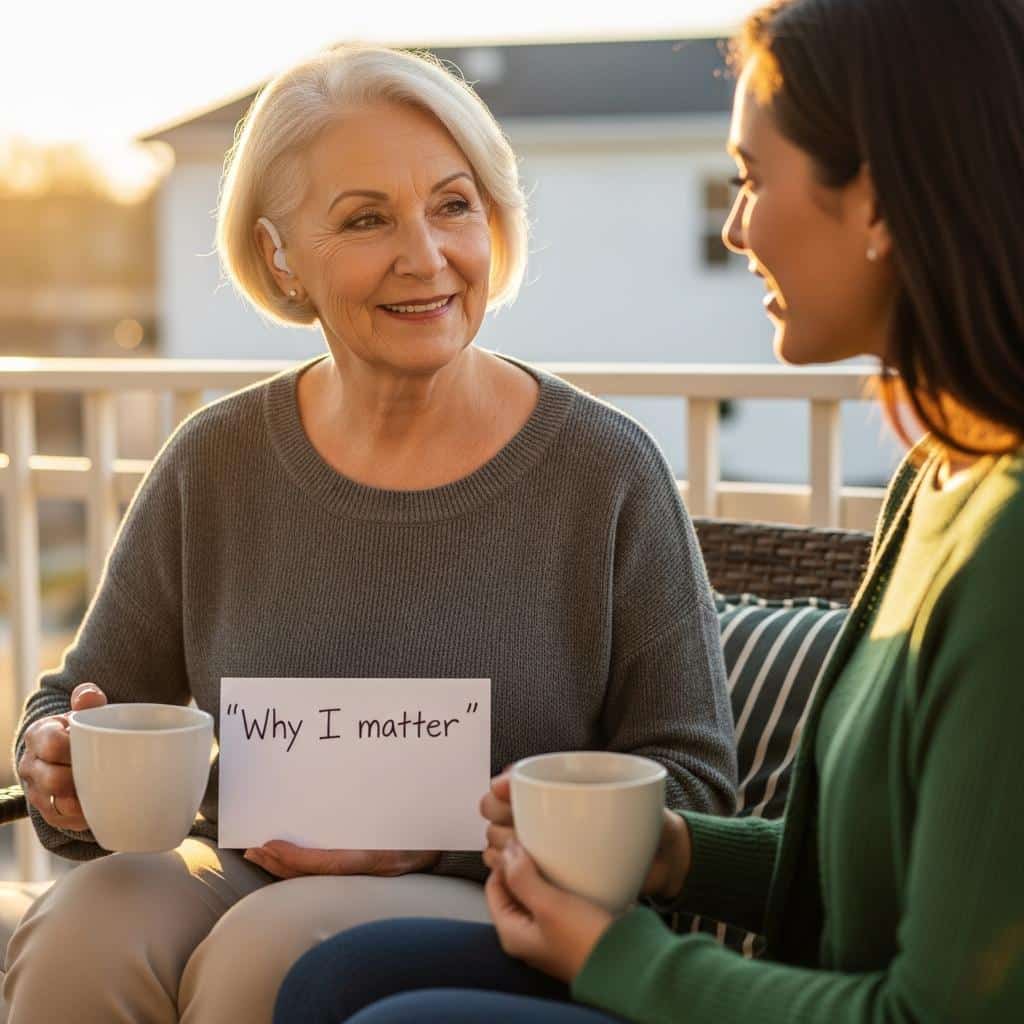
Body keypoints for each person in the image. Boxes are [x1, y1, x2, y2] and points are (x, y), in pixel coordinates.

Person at [272, 1, 1024, 1021]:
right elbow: (861, 875)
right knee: (333, 977)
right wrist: (670, 851)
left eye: (752, 180)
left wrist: (617, 954)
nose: (732, 225)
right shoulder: (938, 476)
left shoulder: (1007, 547)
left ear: (881, 199)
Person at [2, 44, 737, 1024]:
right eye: (363, 219)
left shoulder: (603, 470)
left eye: (452, 205)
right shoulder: (213, 460)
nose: (425, 255)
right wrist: (54, 755)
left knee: (261, 958)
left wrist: (428, 836)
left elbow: (698, 790)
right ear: (279, 256)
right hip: (241, 865)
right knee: (81, 928)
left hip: (501, 900)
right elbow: (83, 699)